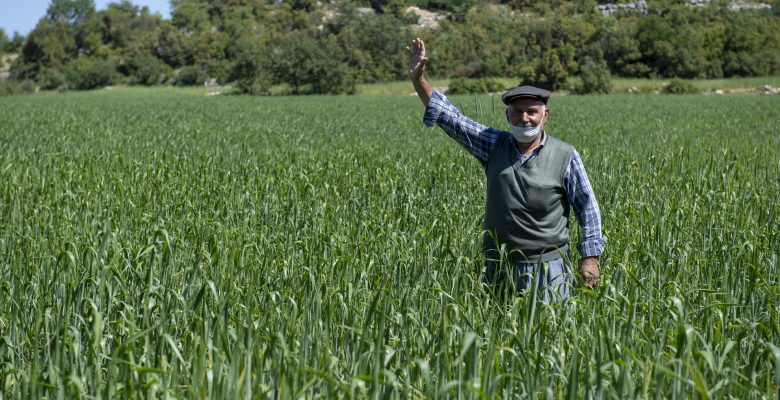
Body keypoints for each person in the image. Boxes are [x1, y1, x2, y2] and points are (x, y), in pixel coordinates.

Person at [407, 38, 606, 301]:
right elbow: (451, 119)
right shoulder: (493, 145)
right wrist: (419, 79)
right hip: (499, 266)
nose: (525, 118)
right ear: (507, 116)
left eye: (532, 112)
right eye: (517, 112)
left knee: (552, 334)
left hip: (549, 268)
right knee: (498, 336)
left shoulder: (565, 155)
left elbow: (587, 207)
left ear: (545, 115)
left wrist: (590, 258)